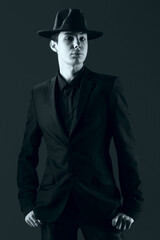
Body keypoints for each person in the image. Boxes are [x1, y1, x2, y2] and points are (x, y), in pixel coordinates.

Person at [17, 8, 144, 240]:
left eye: (82, 39)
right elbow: (28, 152)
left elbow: (127, 150)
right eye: (69, 39)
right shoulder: (39, 94)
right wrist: (27, 201)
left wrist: (131, 206)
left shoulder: (108, 88)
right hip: (53, 206)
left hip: (101, 204)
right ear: (54, 45)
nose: (78, 45)